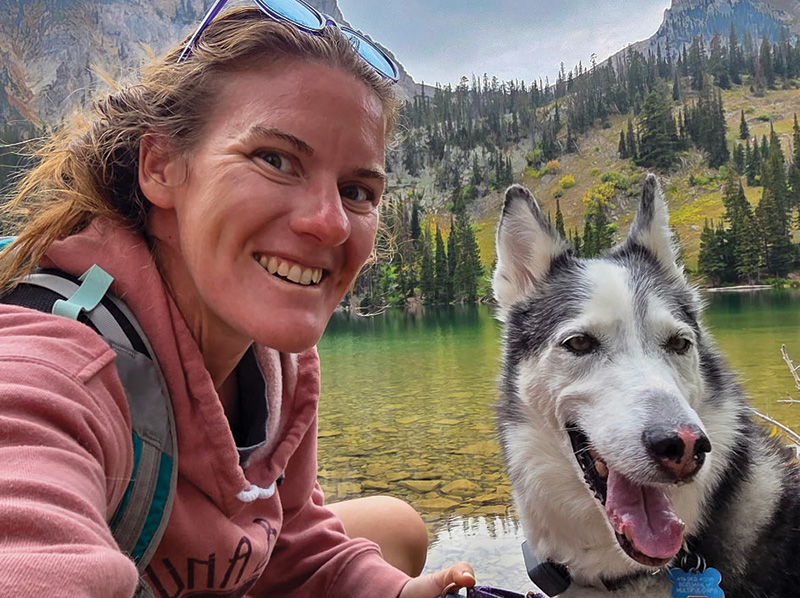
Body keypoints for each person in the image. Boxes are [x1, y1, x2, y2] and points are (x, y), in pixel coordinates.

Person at [0, 2, 476, 597]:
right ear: (162, 166)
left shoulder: (278, 359)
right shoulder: (55, 365)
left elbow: (293, 540)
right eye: (275, 160)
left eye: (357, 190)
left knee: (396, 530)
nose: (330, 224)